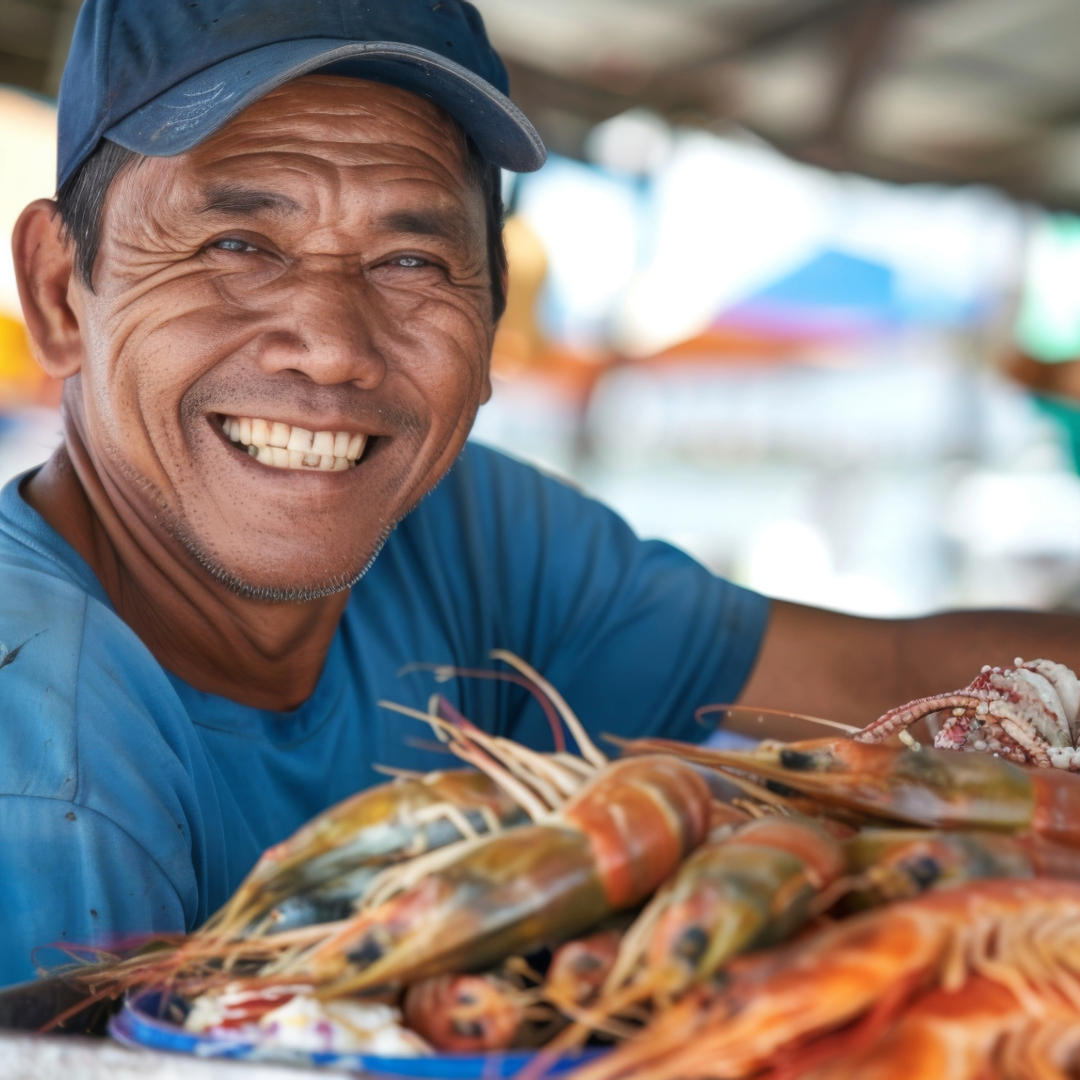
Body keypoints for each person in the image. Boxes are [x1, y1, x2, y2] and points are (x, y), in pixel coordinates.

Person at [2, 0, 1079, 990]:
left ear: (491, 322)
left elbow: (898, 677)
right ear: (60, 292)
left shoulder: (467, 540)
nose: (332, 348)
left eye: (412, 260)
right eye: (236, 243)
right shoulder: (40, 742)